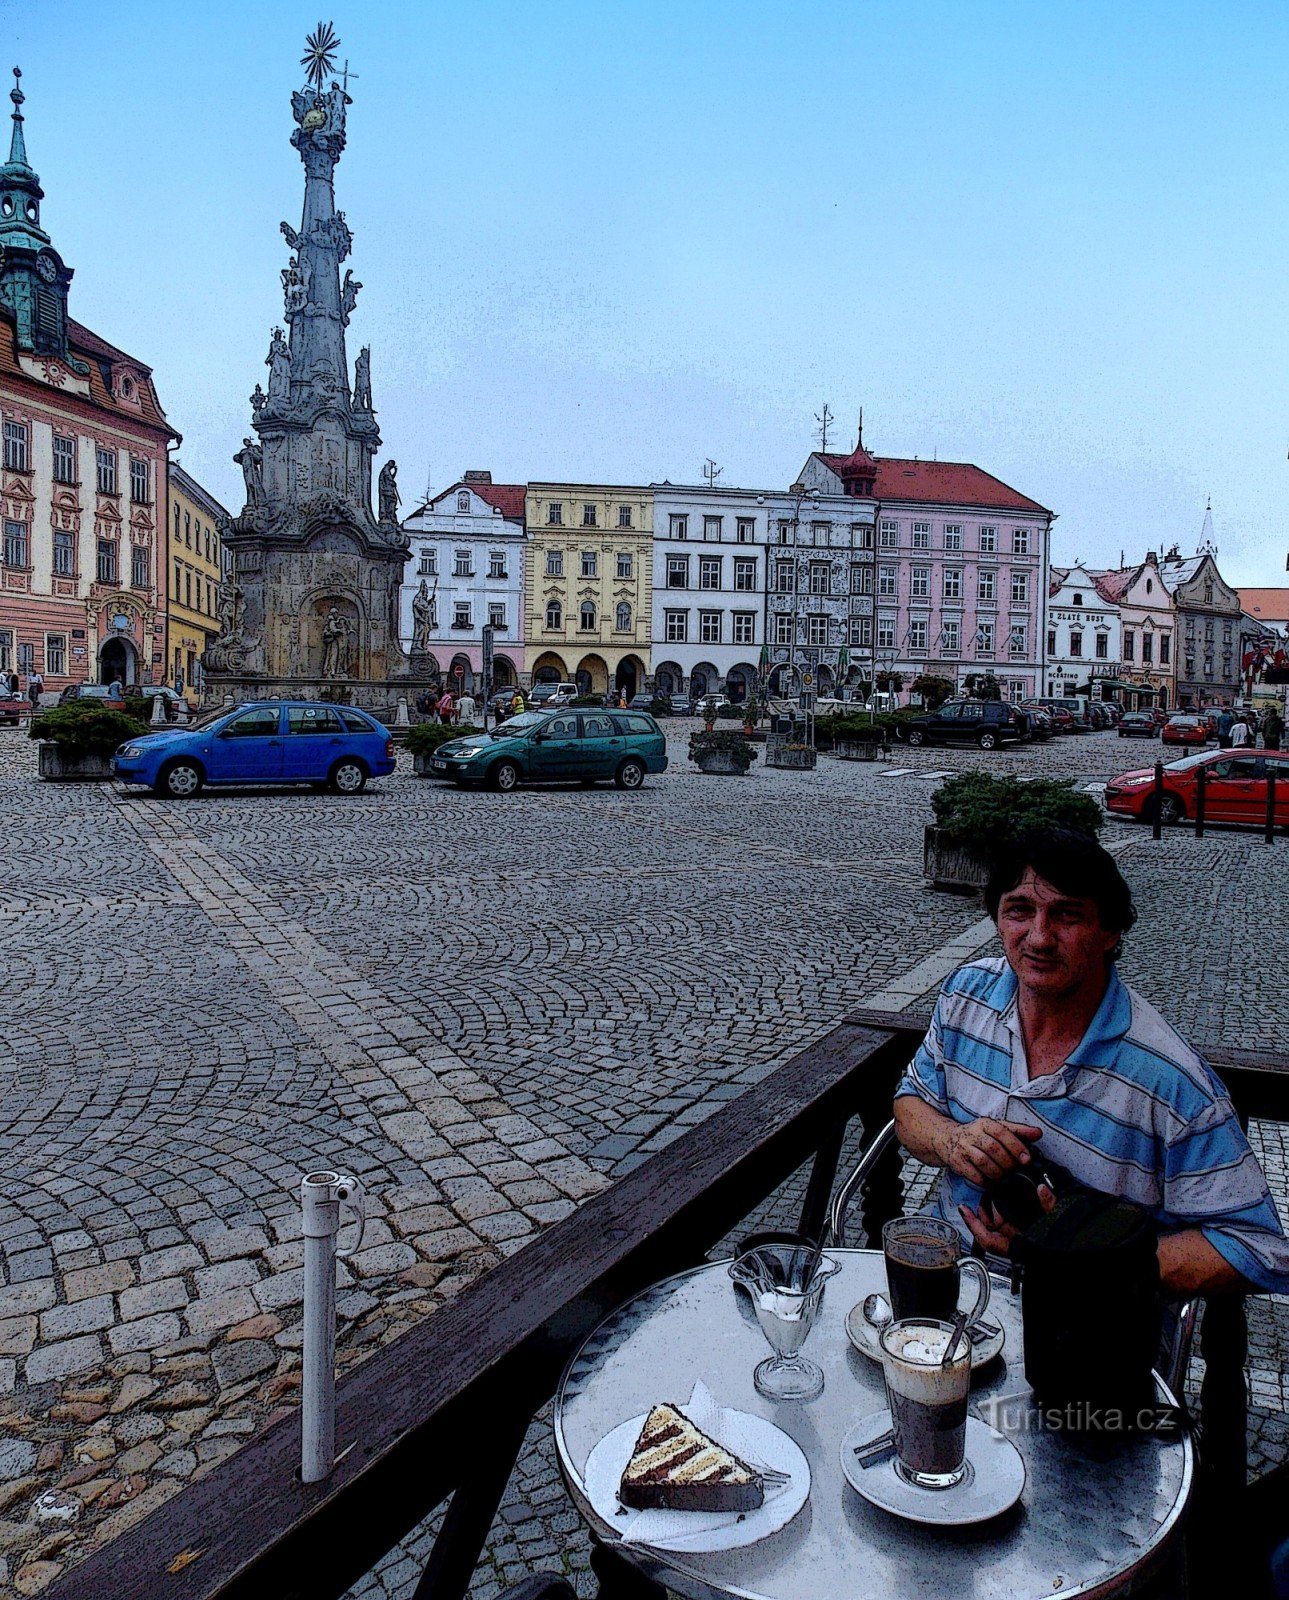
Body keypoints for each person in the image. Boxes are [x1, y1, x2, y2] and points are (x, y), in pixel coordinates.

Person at [893, 828, 1289, 1297]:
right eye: (1020, 910)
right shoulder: (965, 995)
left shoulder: (1168, 1080)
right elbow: (910, 1103)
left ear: (1110, 931)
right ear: (997, 918)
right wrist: (952, 1140)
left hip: (1085, 1329)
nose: (1039, 937)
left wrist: (1079, 1253)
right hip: (945, 1281)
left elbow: (1258, 1249)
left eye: (1067, 915)